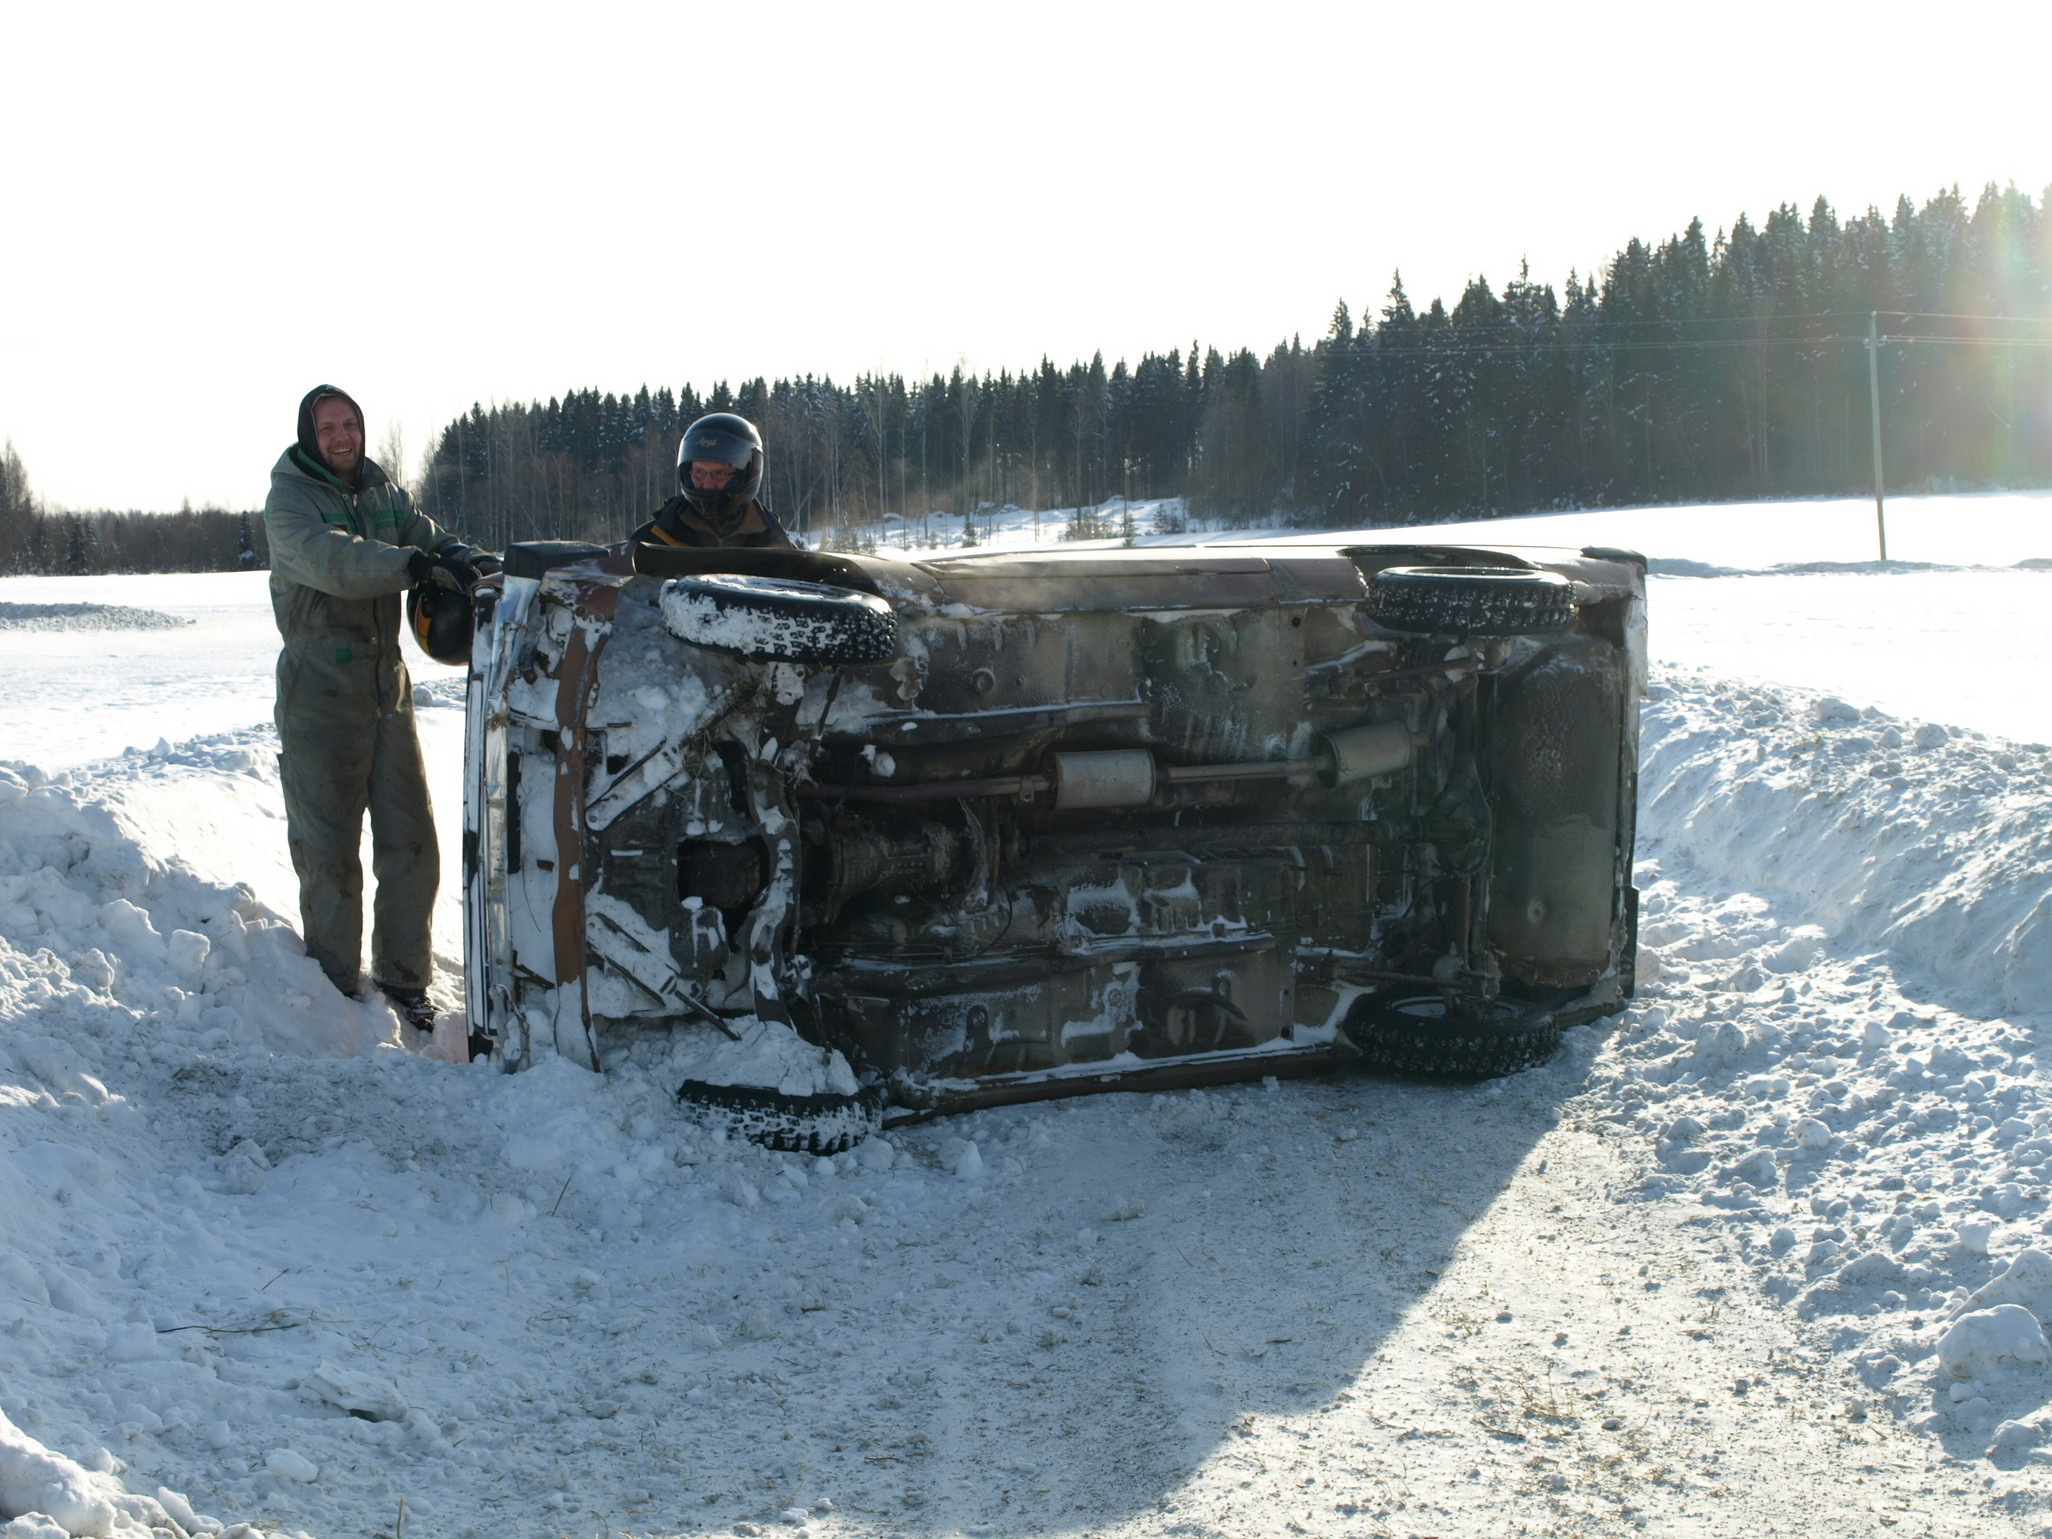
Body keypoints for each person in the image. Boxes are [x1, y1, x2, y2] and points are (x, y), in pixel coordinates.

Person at [261, 384, 496, 1033]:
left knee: (411, 837)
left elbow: (430, 537)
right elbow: (335, 562)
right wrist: (413, 563)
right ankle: (335, 990)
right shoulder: (289, 499)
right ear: (311, 435)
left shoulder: (382, 492)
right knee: (329, 846)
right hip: (320, 689)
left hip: (385, 685)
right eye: (329, 427)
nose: (342, 437)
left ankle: (402, 977)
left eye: (350, 425)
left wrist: (473, 564)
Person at [627, 412, 796, 550]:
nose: (707, 484)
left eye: (719, 473)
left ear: (747, 475)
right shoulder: (650, 540)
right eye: (699, 472)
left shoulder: (776, 544)